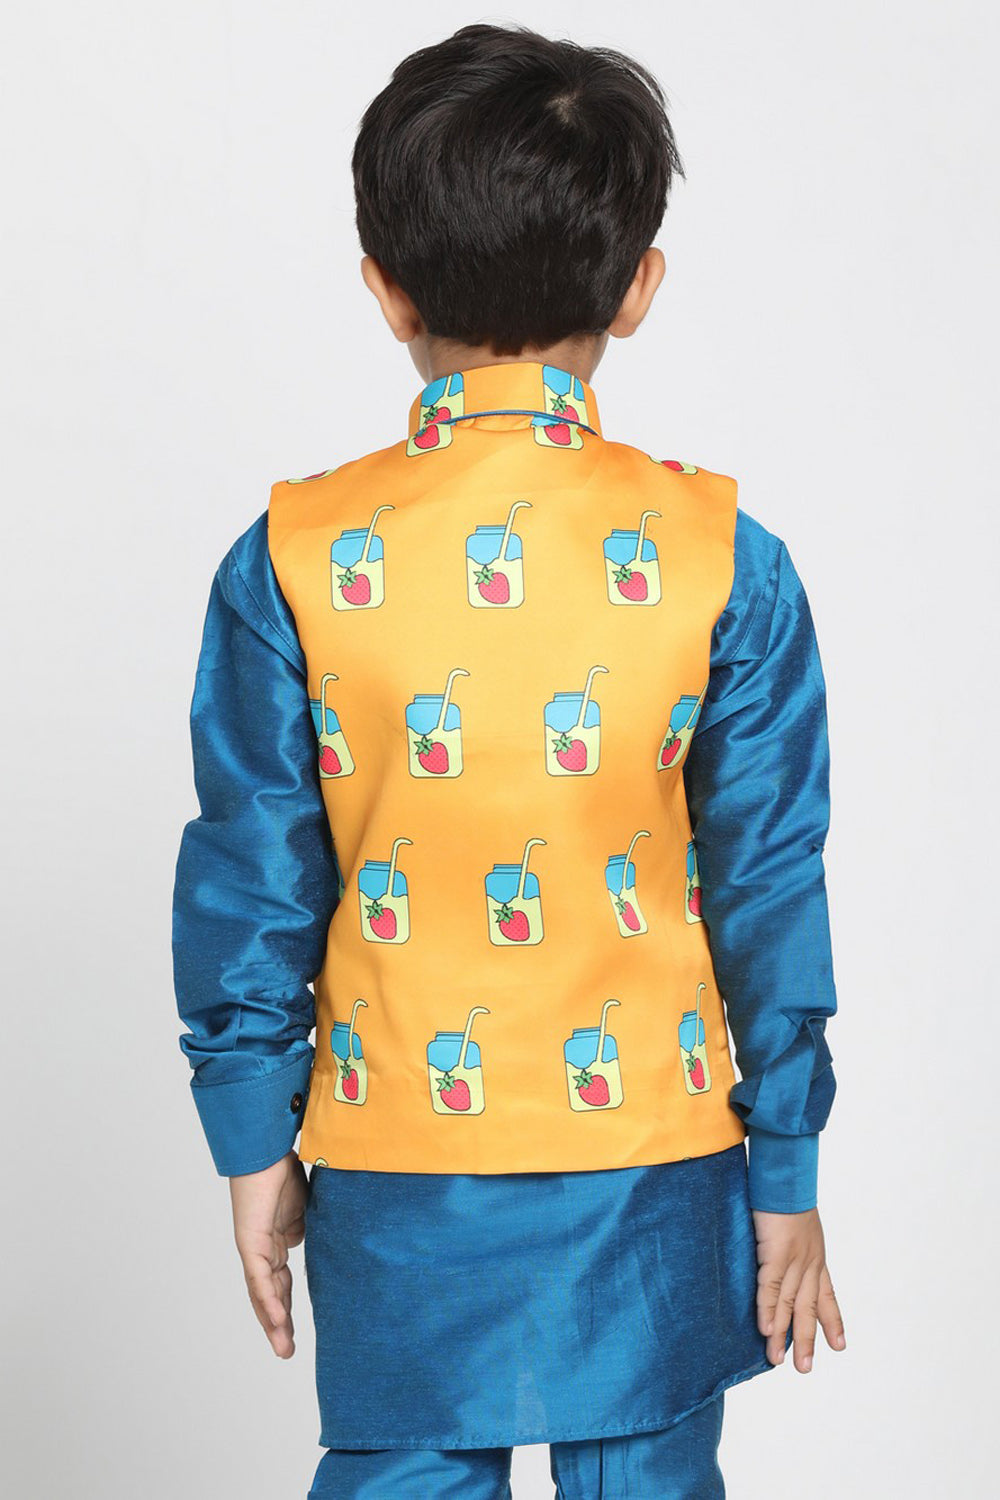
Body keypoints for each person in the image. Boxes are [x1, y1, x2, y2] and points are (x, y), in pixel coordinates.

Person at [172, 22, 847, 1499]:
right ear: (639, 286)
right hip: (656, 1152)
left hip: (398, 1163)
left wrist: (251, 1140)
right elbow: (768, 881)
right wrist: (787, 1166)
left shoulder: (289, 556)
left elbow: (252, 872)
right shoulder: (726, 559)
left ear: (385, 289)